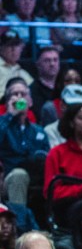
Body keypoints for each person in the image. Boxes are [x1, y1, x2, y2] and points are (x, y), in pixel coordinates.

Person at [0, 79, 49, 208]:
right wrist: (9, 115)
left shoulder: (39, 131)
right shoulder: (2, 124)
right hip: (7, 177)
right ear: (7, 101)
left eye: (23, 94)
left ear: (30, 101)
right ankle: (20, 225)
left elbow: (46, 155)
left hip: (35, 176)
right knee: (19, 175)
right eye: (15, 94)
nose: (19, 98)